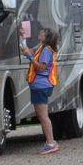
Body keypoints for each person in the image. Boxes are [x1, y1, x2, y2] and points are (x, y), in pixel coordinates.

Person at [22, 27, 60, 155]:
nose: (40, 32)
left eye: (42, 32)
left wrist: (30, 58)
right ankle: (50, 142)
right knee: (42, 116)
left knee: (43, 117)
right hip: (41, 86)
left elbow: (41, 68)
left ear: (47, 36)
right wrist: (23, 38)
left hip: (40, 86)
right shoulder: (42, 48)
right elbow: (26, 51)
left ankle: (50, 143)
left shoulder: (45, 50)